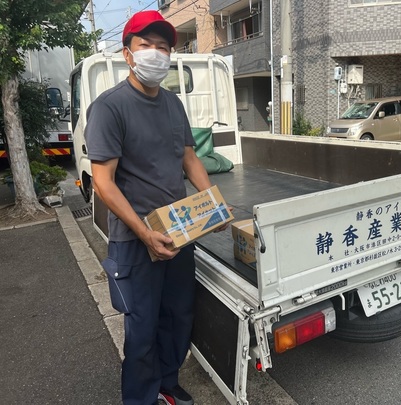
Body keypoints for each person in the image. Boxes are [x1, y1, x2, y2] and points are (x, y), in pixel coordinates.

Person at [84, 10, 226, 405]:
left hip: (178, 230)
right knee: (142, 329)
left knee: (178, 318)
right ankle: (141, 398)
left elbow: (189, 159)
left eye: (163, 47)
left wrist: (214, 204)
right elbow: (103, 182)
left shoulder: (173, 104)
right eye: (145, 44)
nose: (155, 53)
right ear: (127, 53)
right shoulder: (110, 107)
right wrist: (145, 233)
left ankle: (167, 384)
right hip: (135, 239)